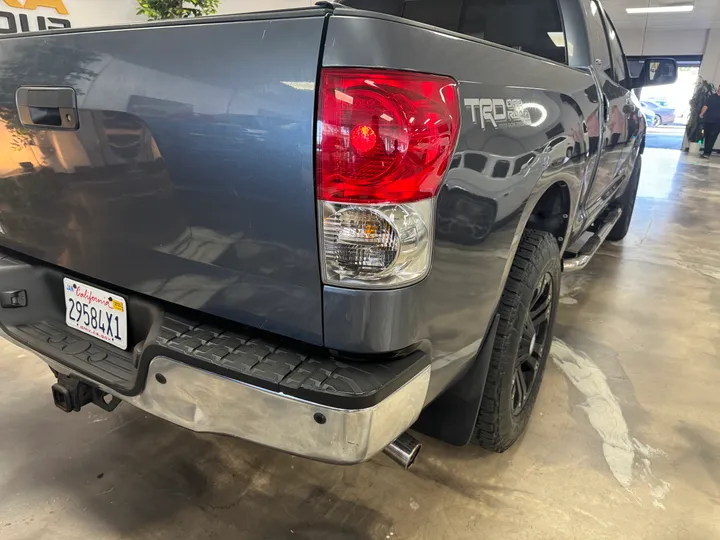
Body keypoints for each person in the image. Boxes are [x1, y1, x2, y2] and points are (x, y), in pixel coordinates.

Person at [699, 87, 720, 159]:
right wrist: (701, 114)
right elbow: (705, 106)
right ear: (718, 88)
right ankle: (705, 152)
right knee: (707, 136)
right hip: (708, 120)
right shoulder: (711, 97)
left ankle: (707, 153)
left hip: (718, 122)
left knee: (712, 137)